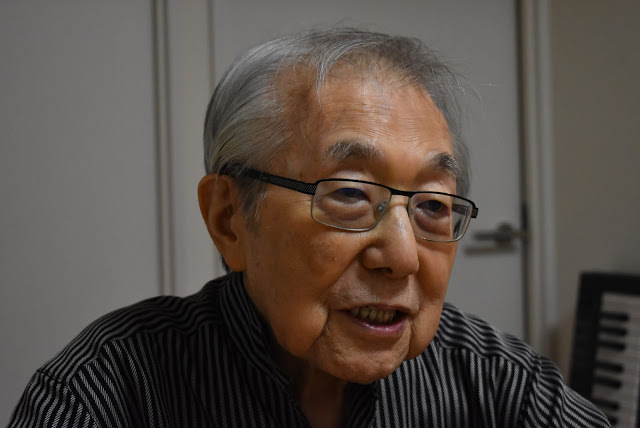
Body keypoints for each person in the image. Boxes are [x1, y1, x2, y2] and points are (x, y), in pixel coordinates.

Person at [9, 28, 609, 428]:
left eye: (432, 205)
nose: (402, 256)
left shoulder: (495, 380)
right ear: (228, 219)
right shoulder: (108, 390)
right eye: (349, 195)